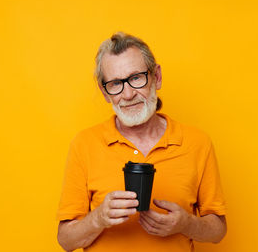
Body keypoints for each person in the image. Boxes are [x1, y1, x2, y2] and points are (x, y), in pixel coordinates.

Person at [56, 32, 227, 252]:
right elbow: (66, 241)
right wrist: (98, 219)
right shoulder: (84, 144)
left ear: (156, 77)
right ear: (105, 92)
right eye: (116, 83)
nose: (127, 94)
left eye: (136, 78)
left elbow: (218, 231)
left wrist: (187, 223)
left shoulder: (197, 143)